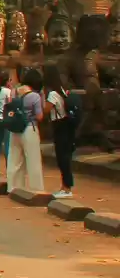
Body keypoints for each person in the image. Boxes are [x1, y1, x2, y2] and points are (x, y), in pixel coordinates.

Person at [6, 67, 45, 192]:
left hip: (15, 128)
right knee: (33, 160)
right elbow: (39, 116)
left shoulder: (14, 92)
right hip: (29, 128)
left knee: (14, 160)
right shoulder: (34, 96)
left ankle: (13, 187)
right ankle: (36, 188)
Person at [43, 62, 76, 199]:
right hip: (65, 124)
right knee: (64, 157)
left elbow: (46, 111)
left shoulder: (52, 94)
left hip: (59, 125)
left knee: (62, 157)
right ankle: (65, 186)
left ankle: (66, 188)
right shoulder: (61, 90)